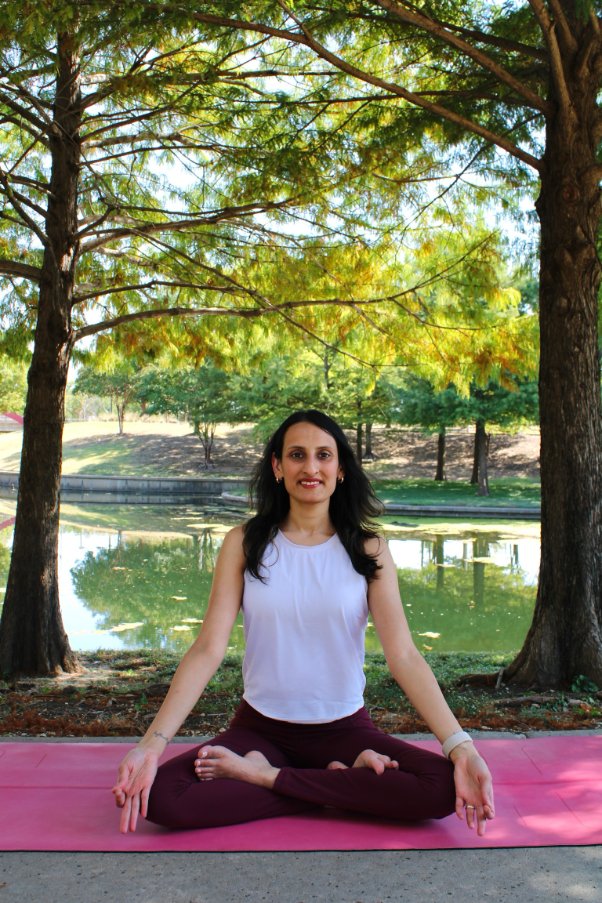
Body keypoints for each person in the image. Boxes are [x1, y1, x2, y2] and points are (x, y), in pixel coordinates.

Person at [112, 410, 495, 836]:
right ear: (277, 466)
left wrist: (461, 748)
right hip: (260, 730)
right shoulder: (245, 543)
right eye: (297, 455)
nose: (310, 468)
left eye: (323, 455)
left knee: (442, 787)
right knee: (164, 795)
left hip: (345, 730)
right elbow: (207, 649)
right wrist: (150, 746)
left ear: (341, 468)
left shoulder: (370, 550)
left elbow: (403, 655)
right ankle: (335, 781)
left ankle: (264, 776)